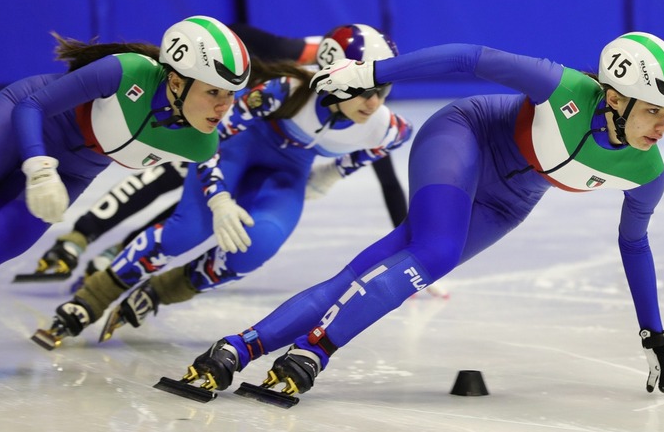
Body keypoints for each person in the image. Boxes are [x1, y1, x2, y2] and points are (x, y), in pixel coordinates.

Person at [174, 32, 664, 400]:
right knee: (436, 251)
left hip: (509, 200)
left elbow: (634, 244)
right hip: (463, 136)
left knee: (385, 268)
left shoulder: (647, 171)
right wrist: (371, 74)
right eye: (654, 110)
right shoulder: (561, 87)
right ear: (613, 97)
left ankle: (238, 347)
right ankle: (316, 352)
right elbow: (469, 57)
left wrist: (653, 336)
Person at [32, 24, 417, 349]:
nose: (373, 101)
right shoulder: (286, 89)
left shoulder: (384, 125)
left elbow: (396, 139)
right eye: (364, 89)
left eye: (382, 90)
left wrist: (333, 174)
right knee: (185, 230)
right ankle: (93, 296)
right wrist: (218, 199)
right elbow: (209, 143)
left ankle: (159, 291)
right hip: (237, 148)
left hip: (287, 172)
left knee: (256, 246)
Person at [0, 16, 250, 302]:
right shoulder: (127, 72)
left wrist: (219, 202)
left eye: (232, 94)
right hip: (15, 127)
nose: (224, 106)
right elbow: (32, 106)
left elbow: (210, 169)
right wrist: (38, 166)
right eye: (213, 92)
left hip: (71, 174)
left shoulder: (200, 142)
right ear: (175, 82)